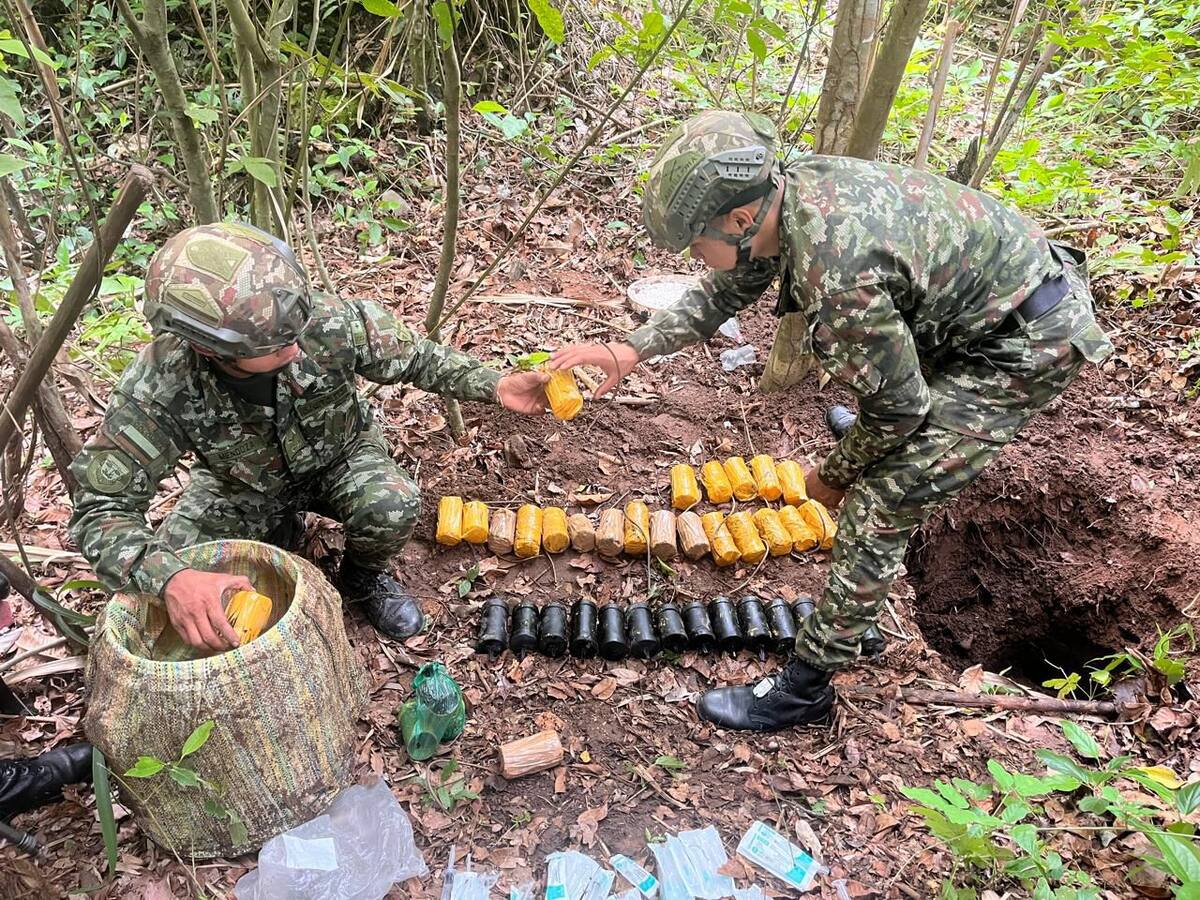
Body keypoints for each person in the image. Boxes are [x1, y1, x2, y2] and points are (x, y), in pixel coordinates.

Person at [551, 110, 1112, 731]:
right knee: (887, 421)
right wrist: (631, 349)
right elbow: (726, 289)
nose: (696, 255)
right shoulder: (784, 199)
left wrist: (836, 476)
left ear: (739, 219)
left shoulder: (837, 271)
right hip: (978, 306)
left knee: (879, 502)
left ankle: (806, 687)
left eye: (695, 241)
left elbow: (901, 410)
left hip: (1021, 344)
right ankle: (871, 442)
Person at [69, 222, 548, 651]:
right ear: (207, 348)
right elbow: (101, 510)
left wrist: (497, 384)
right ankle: (280, 532)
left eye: (296, 331)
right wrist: (172, 578)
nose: (298, 347)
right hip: (240, 488)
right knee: (167, 591)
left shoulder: (320, 321)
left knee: (392, 504)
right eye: (277, 345)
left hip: (341, 456)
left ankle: (363, 579)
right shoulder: (160, 385)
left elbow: (416, 358)